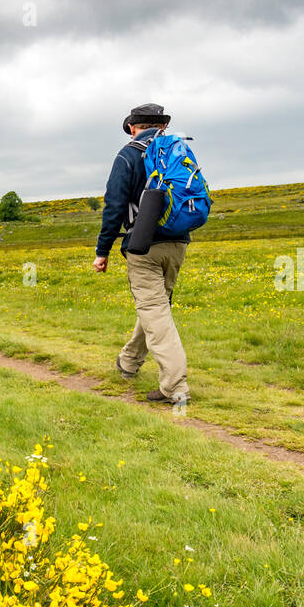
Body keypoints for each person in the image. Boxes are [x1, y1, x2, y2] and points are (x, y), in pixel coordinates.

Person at [93, 102, 191, 404]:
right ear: (162, 126)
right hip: (178, 243)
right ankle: (129, 361)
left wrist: (103, 250)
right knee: (156, 308)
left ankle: (175, 387)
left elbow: (114, 206)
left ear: (134, 127)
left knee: (154, 311)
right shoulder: (178, 151)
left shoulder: (128, 155)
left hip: (143, 246)